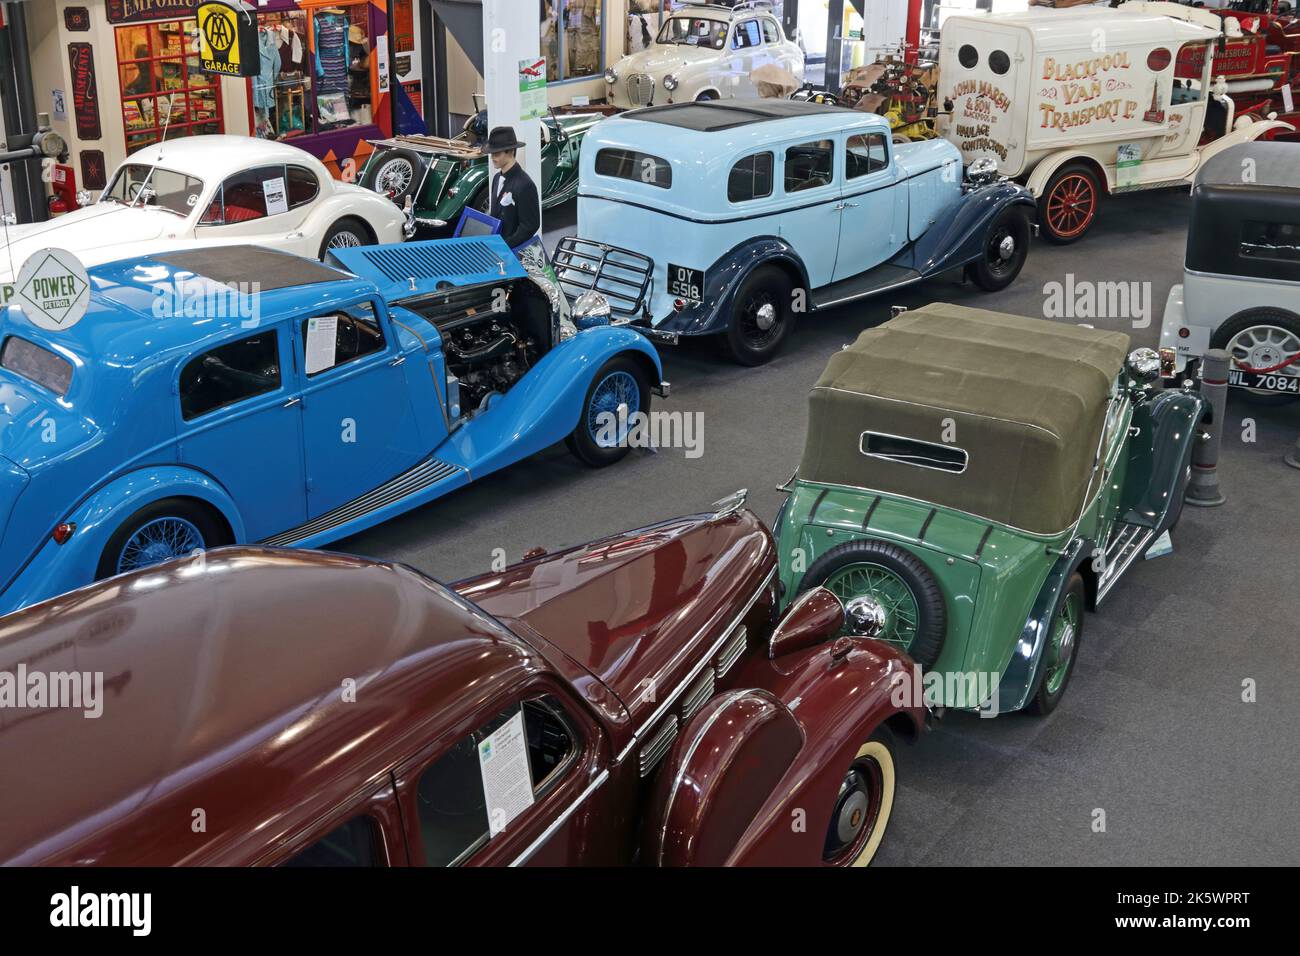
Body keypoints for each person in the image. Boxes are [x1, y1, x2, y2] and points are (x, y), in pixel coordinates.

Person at [486, 126, 540, 249]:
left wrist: (505, 246)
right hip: (496, 249)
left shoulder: (525, 184)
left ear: (510, 151)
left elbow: (529, 226)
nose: (492, 157)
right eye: (492, 153)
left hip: (513, 252)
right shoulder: (496, 178)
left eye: (497, 153)